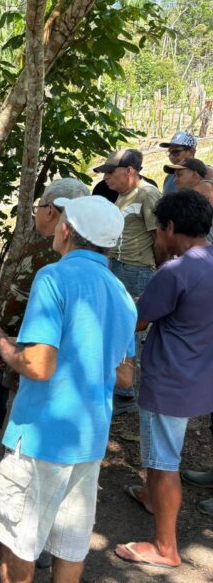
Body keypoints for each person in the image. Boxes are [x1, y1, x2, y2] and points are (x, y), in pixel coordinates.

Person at [0, 195, 136, 583]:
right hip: (88, 439)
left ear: (66, 230)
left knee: (18, 541)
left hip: (40, 437)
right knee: (70, 545)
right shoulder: (122, 294)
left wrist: (0, 344)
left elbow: (38, 364)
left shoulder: (53, 277)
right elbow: (125, 376)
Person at [0, 178, 90, 576]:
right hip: (79, 401)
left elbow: (20, 323)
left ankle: (5, 555)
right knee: (59, 481)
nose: (37, 214)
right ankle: (43, 546)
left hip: (31, 383)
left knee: (13, 478)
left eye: (40, 207)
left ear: (55, 212)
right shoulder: (98, 269)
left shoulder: (46, 262)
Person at [114, 190, 213, 569]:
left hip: (169, 378)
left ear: (170, 227)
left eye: (158, 230)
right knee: (164, 453)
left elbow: (138, 319)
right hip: (198, 374)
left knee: (164, 459)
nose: (157, 237)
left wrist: (134, 301)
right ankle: (152, 497)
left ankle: (165, 547)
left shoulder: (176, 271)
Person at [94, 148, 162, 416]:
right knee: (115, 326)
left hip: (136, 269)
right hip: (117, 266)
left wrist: (158, 269)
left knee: (127, 329)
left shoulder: (148, 195)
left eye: (111, 172)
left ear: (131, 171)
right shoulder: (123, 196)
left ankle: (125, 396)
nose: (107, 178)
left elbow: (159, 237)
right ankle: (119, 388)